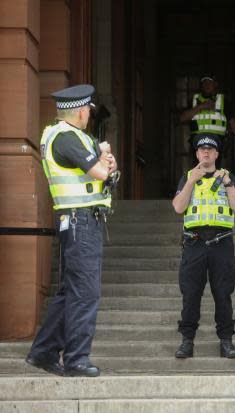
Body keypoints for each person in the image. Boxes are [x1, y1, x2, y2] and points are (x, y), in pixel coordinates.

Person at [26, 84, 118, 377]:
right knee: (85, 293)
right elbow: (103, 173)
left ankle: (43, 351)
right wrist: (104, 158)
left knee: (70, 292)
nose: (89, 116)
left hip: (77, 222)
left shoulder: (65, 136)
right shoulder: (66, 137)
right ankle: (77, 359)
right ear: (81, 111)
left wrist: (104, 160)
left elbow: (106, 172)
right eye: (88, 112)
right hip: (80, 222)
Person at [172, 134, 235, 359]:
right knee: (191, 294)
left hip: (221, 242)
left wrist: (229, 184)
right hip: (194, 241)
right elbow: (178, 207)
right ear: (196, 154)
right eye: (201, 149)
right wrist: (192, 181)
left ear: (216, 154)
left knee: (223, 293)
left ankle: (226, 341)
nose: (205, 153)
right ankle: (187, 341)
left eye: (210, 150)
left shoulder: (227, 177)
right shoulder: (187, 177)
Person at [180, 75, 235, 164]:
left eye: (210, 82)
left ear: (215, 84)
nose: (207, 85)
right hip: (198, 146)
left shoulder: (223, 101)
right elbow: (182, 118)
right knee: (199, 174)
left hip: (216, 146)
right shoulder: (195, 100)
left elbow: (233, 125)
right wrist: (201, 107)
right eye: (204, 82)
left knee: (214, 175)